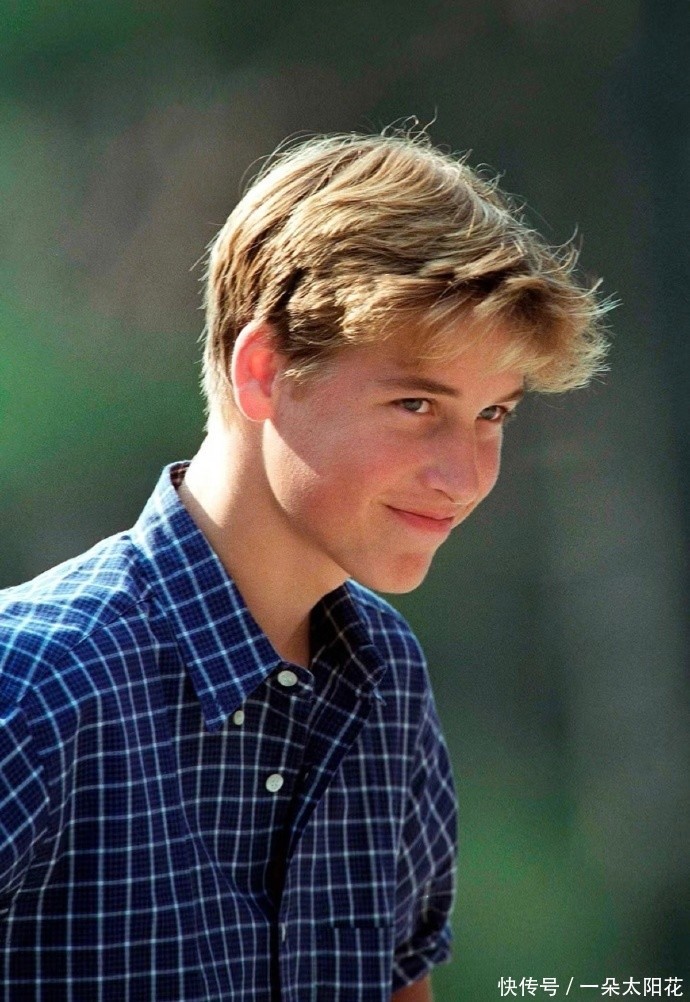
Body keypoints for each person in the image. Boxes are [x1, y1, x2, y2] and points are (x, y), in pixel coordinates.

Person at [0, 129, 609, 1001]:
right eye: (416, 404)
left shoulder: (387, 678)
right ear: (263, 371)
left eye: (493, 416)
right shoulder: (34, 685)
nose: (467, 477)